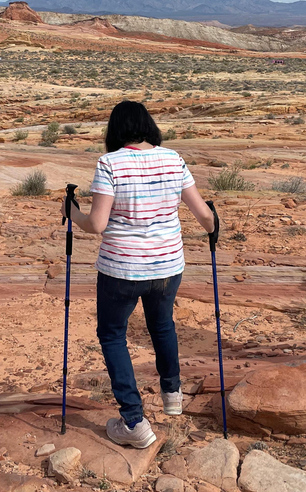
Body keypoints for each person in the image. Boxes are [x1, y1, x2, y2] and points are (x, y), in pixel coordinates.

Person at [61, 100, 215, 449]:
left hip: (122, 269)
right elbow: (204, 217)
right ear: (148, 126)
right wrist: (213, 226)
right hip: (167, 266)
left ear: (115, 130)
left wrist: (73, 213)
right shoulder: (173, 159)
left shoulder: (110, 163)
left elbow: (97, 224)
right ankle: (172, 394)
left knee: (113, 335)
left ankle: (133, 420)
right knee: (162, 325)